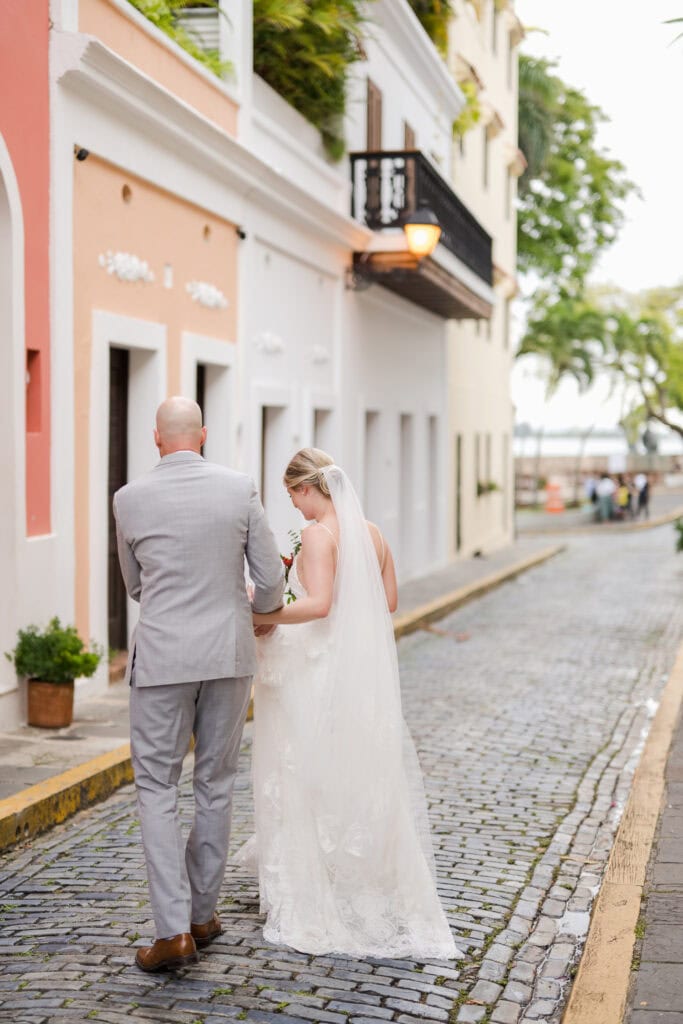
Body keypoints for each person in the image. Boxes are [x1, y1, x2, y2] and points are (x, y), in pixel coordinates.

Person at [240, 447, 459, 960]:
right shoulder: (373, 534)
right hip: (352, 670)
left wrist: (263, 613)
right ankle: (357, 873)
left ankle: (312, 883)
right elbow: (387, 603)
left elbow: (318, 604)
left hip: (310, 672)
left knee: (299, 771)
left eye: (292, 494)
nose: (293, 506)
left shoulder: (318, 535)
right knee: (349, 767)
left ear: (306, 488)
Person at [114, 397, 284, 972]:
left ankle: (171, 930)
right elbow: (270, 577)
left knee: (157, 788)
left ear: (156, 439)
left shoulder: (129, 499)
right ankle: (202, 915)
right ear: (204, 435)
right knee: (216, 779)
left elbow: (135, 586)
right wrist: (258, 611)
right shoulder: (239, 488)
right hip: (229, 652)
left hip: (162, 656)